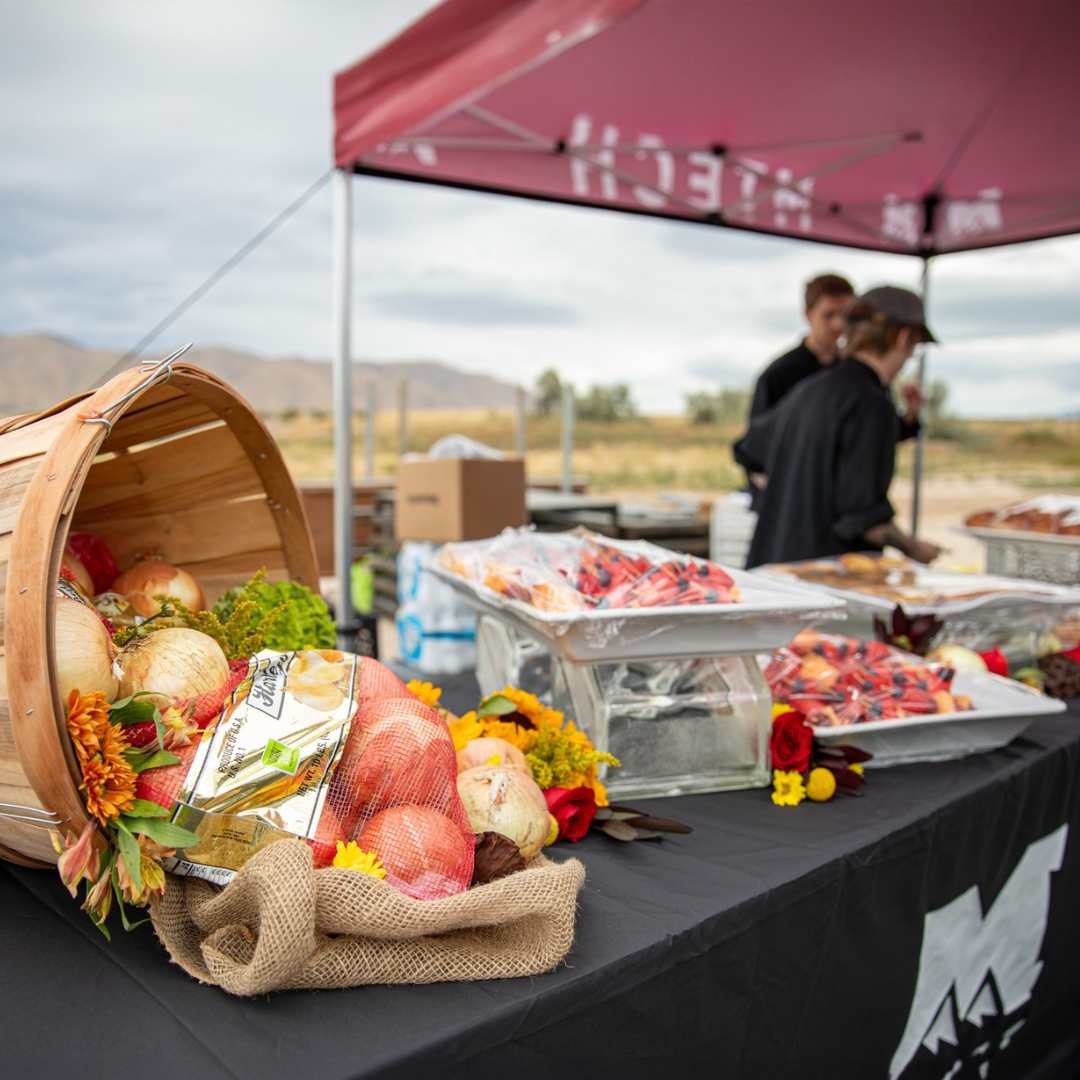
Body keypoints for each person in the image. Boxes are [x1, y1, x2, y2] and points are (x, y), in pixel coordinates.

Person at [739, 286, 942, 569]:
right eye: (914, 348)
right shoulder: (872, 403)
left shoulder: (808, 389)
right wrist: (913, 549)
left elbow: (749, 449)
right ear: (904, 337)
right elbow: (865, 521)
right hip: (823, 586)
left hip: (771, 573)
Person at [738, 273, 923, 509]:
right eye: (829, 315)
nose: (838, 325)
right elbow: (753, 448)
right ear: (808, 315)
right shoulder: (781, 373)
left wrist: (908, 417)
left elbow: (868, 435)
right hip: (796, 509)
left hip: (845, 509)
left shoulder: (864, 375)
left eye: (845, 316)